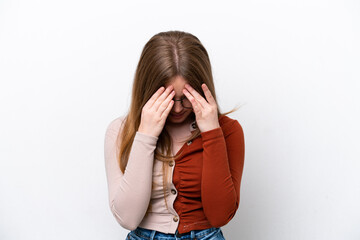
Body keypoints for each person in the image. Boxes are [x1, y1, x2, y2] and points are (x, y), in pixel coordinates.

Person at [104, 30, 245, 240]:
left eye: (186, 98)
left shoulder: (228, 130)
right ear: (147, 91)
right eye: (168, 98)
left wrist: (212, 133)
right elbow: (128, 219)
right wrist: (146, 135)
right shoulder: (121, 131)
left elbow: (220, 216)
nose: (178, 109)